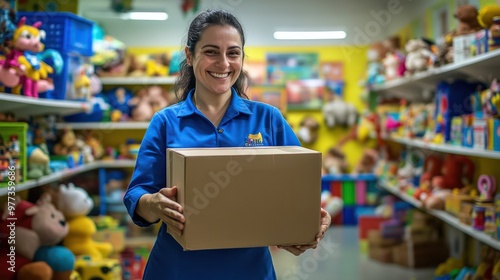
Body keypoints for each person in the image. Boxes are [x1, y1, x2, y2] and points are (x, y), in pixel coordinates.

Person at [123, 9, 331, 280]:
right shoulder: (166, 122)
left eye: (233, 53)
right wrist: (154, 203)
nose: (223, 63)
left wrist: (309, 222)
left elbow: (298, 186)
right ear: (189, 55)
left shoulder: (268, 119)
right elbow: (136, 195)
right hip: (177, 269)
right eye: (211, 51)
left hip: (250, 270)